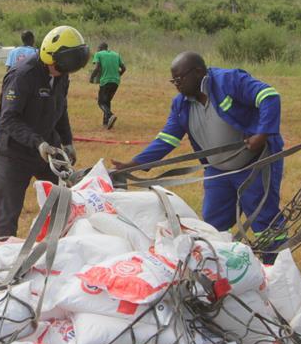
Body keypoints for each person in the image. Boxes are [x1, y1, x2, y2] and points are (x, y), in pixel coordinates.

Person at [111, 51, 285, 261]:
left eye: (179, 79)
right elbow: (167, 139)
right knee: (212, 225)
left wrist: (262, 134)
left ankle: (276, 266)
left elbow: (269, 96)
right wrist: (134, 164)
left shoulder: (229, 81)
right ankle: (222, 264)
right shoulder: (181, 104)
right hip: (218, 173)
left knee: (263, 221)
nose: (176, 85)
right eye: (173, 80)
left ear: (198, 72)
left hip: (253, 166)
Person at [0, 25, 90, 237]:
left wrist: (67, 141)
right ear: (49, 58)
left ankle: (56, 249)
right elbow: (8, 119)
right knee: (5, 219)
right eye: (60, 68)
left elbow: (60, 108)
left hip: (47, 149)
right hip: (14, 151)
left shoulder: (61, 73)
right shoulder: (22, 75)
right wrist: (37, 142)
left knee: (64, 203)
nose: (63, 74)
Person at [89, 42, 126, 129]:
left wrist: (91, 77)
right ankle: (106, 123)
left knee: (101, 102)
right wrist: (118, 75)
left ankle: (110, 115)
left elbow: (97, 68)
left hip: (105, 81)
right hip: (116, 82)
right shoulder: (116, 54)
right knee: (107, 101)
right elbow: (124, 68)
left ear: (100, 48)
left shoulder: (98, 54)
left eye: (98, 49)